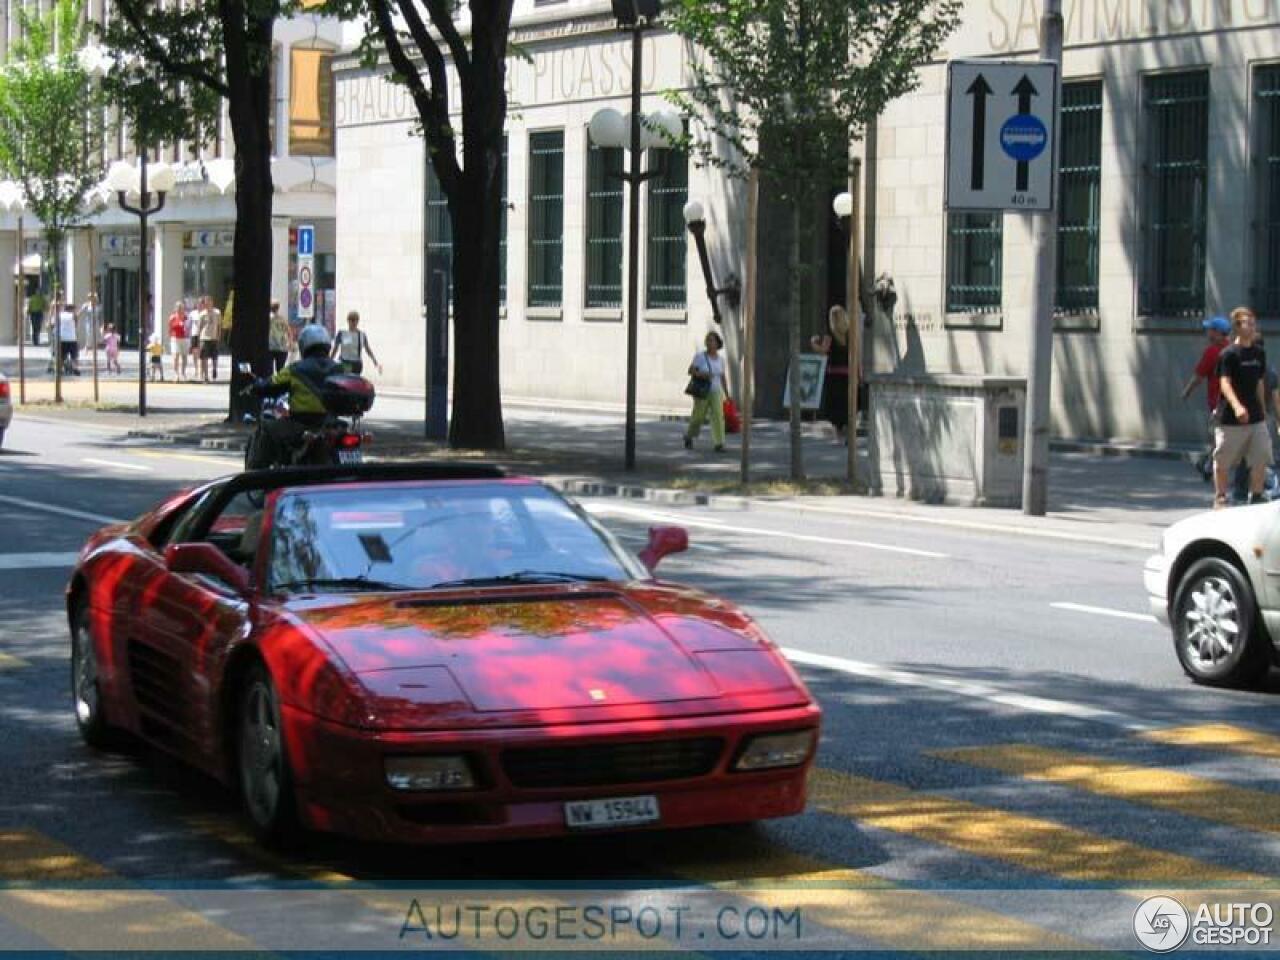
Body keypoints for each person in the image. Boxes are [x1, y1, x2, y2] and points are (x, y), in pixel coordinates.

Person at [246, 323, 344, 469]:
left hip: (300, 424)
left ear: (304, 345)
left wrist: (256, 387)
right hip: (331, 423)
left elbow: (271, 384)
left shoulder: (295, 369)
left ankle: (254, 476)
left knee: (266, 427)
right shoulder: (339, 369)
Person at [1213, 306, 1271, 508]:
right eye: (1248, 322)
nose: (1253, 325)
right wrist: (1237, 406)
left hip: (1255, 417)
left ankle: (1256, 494)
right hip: (1230, 418)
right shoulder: (1228, 354)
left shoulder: (1259, 353)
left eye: (1254, 322)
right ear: (1237, 327)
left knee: (1261, 455)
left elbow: (1259, 382)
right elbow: (1225, 383)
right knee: (1223, 462)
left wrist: (1262, 408)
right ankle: (1221, 496)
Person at [683, 331, 730, 453]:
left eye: (712, 340)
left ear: (717, 343)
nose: (709, 343)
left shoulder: (721, 360)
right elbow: (690, 371)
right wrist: (701, 374)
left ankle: (719, 443)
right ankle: (689, 435)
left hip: (716, 391)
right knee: (698, 417)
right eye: (707, 340)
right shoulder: (700, 357)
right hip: (702, 390)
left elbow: (722, 377)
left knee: (718, 417)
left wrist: (727, 393)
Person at [811, 305, 851, 440]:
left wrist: (814, 343)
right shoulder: (849, 335)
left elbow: (823, 351)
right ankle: (846, 432)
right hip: (847, 374)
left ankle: (839, 434)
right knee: (845, 403)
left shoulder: (830, 336)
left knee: (835, 404)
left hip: (834, 374)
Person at [331, 310, 382, 376]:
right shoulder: (342, 333)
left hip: (357, 363)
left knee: (355, 381)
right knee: (347, 379)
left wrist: (375, 362)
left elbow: (368, 349)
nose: (354, 322)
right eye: (352, 320)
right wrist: (330, 360)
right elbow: (335, 348)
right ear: (348, 321)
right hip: (346, 362)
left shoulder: (362, 335)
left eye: (356, 320)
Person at [197, 295, 221, 382]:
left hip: (214, 337)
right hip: (204, 338)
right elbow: (199, 327)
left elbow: (219, 326)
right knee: (204, 357)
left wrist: (219, 335)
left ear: (212, 302)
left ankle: (214, 369)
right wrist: (198, 339)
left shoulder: (217, 313)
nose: (207, 304)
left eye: (209, 302)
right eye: (206, 303)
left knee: (214, 356)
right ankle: (206, 376)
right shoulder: (202, 314)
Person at [168, 301, 189, 381]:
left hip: (184, 338)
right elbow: (169, 329)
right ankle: (176, 374)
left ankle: (183, 373)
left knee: (184, 356)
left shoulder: (186, 317)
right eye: (179, 308)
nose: (180, 309)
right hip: (175, 338)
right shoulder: (172, 317)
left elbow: (188, 327)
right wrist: (171, 337)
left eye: (182, 308)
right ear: (176, 308)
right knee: (175, 357)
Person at [268, 300, 290, 374]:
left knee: (269, 371)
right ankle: (279, 384)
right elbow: (289, 331)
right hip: (282, 348)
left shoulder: (267, 319)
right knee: (280, 370)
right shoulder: (282, 319)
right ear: (278, 308)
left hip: (270, 347)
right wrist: (290, 343)